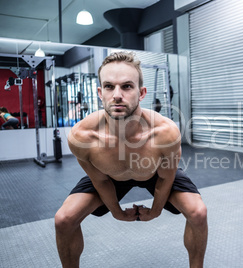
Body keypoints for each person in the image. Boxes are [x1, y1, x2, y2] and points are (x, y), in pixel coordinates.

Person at [55, 51, 208, 268]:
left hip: (154, 173)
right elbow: (101, 181)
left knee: (198, 213)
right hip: (110, 176)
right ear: (100, 92)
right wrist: (116, 211)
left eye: (127, 86)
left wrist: (155, 210)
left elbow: (166, 178)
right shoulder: (82, 137)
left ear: (141, 92)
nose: (117, 95)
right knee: (63, 220)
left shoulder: (165, 132)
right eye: (109, 86)